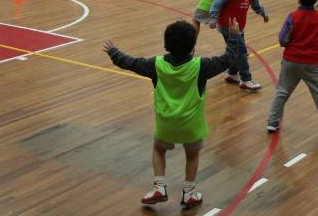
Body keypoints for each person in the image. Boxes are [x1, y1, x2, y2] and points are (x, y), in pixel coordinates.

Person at [103, 19, 240, 208]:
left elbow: (130, 63)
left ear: (166, 44)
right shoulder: (202, 66)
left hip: (166, 125)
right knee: (192, 155)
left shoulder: (156, 65)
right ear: (193, 45)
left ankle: (159, 186)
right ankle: (190, 192)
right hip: (192, 127)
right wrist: (234, 36)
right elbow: (228, 58)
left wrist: (113, 52)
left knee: (159, 150)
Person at [266, 0, 318, 138]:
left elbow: (282, 39)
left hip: (290, 62)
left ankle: (272, 122)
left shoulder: (292, 17)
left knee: (282, 91)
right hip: (312, 64)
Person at [209, 0, 269, 91]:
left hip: (239, 25)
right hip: (228, 26)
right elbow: (218, 1)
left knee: (236, 50)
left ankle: (231, 73)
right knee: (241, 51)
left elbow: (255, 3)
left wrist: (262, 13)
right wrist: (213, 18)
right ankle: (246, 79)